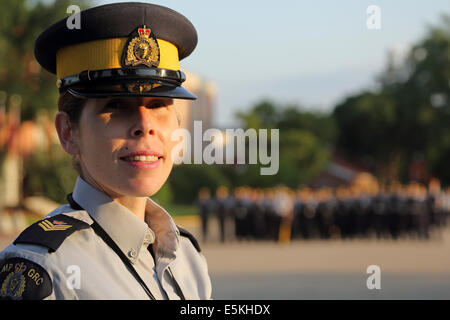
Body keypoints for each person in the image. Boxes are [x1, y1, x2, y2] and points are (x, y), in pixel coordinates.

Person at [0, 2, 211, 300]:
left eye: (158, 105)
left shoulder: (185, 255)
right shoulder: (44, 270)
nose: (143, 125)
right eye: (115, 106)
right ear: (68, 132)